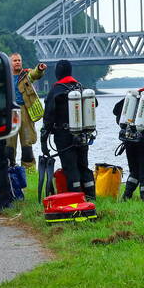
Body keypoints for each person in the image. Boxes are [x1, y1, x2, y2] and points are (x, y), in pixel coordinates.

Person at [42, 60, 96, 199]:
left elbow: (48, 117)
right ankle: (91, 196)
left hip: (63, 136)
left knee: (70, 168)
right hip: (83, 134)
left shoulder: (55, 91)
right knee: (83, 166)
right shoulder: (80, 88)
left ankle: (77, 199)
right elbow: (93, 104)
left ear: (57, 73)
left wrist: (44, 141)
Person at [6, 53, 46, 167]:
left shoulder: (26, 75)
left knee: (27, 142)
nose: (18, 62)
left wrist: (39, 69)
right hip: (10, 111)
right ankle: (9, 167)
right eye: (15, 61)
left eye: (19, 60)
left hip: (25, 111)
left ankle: (29, 168)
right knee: (9, 144)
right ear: (9, 63)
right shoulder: (4, 76)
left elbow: (35, 74)